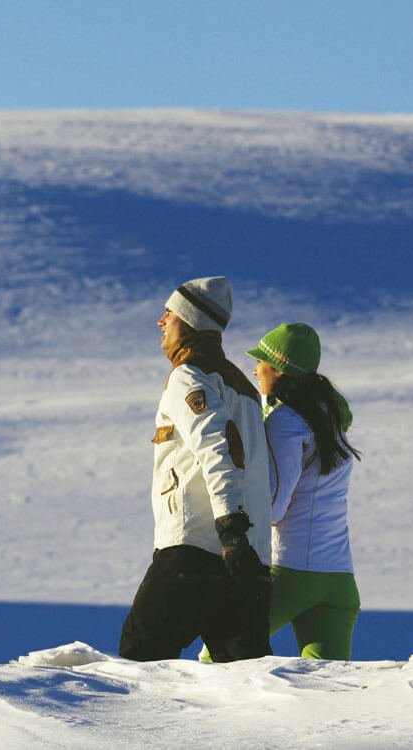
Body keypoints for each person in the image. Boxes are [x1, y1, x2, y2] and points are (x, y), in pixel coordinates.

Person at [118, 276, 274, 663]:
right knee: (244, 679)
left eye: (168, 314)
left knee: (140, 656)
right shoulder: (245, 389)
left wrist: (230, 527)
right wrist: (242, 544)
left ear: (188, 322)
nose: (160, 321)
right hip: (246, 560)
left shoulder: (190, 376)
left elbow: (218, 448)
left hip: (197, 549)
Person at [247, 322, 362, 660]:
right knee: (329, 693)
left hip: (292, 572)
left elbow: (273, 505)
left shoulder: (286, 422)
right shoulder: (329, 420)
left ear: (279, 369)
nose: (255, 370)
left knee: (217, 658)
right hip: (339, 580)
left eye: (260, 362)